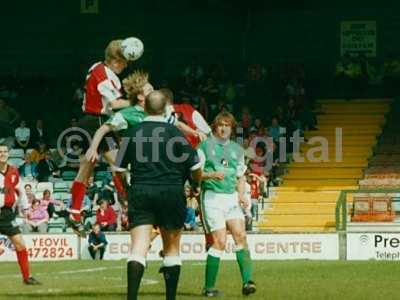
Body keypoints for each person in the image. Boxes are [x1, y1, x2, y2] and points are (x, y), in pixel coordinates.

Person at [121, 91, 202, 300]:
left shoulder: (133, 132)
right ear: (166, 108)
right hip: (171, 191)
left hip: (141, 190)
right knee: (172, 248)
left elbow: (119, 169)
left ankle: (131, 297)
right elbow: (196, 165)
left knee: (138, 247)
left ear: (145, 108)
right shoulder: (175, 133)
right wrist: (195, 184)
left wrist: (126, 189)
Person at [68, 39, 133, 237]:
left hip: (88, 122)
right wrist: (137, 101)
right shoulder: (106, 76)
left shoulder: (96, 66)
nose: (126, 65)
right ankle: (129, 207)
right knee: (118, 163)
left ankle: (74, 213)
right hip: (96, 122)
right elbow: (113, 104)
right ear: (114, 60)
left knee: (87, 169)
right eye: (123, 61)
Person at [198, 112, 256, 297]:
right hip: (212, 197)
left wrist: (241, 195)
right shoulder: (204, 147)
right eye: (221, 124)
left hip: (231, 197)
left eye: (227, 125)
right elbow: (195, 174)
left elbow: (240, 176)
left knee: (241, 236)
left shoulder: (237, 150)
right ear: (215, 127)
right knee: (220, 242)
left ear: (232, 128)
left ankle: (248, 282)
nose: (224, 128)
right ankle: (209, 288)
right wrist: (210, 175)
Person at [0, 143, 40, 285]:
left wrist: (27, 209)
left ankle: (26, 277)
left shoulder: (13, 171)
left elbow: (21, 191)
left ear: (8, 154)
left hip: (7, 214)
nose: (2, 154)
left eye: (5, 151)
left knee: (20, 245)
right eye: (0, 152)